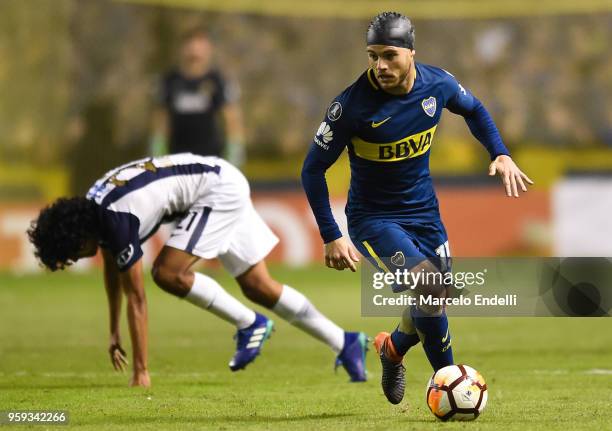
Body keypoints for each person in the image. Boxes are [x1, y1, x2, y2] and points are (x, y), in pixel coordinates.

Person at [301, 12, 533, 405]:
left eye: (389, 55)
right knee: (430, 287)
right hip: (374, 220)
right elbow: (312, 170)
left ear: (411, 53)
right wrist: (331, 234)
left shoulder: (437, 84)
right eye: (373, 56)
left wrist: (501, 153)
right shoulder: (351, 107)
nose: (380, 65)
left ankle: (392, 348)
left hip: (426, 216)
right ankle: (452, 384)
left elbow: (474, 109)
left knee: (433, 298)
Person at [28, 153, 368, 387]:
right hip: (217, 179)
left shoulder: (114, 219)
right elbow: (113, 268)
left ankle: (250, 323)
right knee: (257, 286)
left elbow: (137, 298)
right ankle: (345, 342)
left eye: (75, 254)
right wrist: (114, 330)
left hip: (216, 192)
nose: (83, 258)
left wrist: (141, 371)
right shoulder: (94, 208)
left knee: (167, 273)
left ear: (78, 238)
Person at [150, 28, 246, 166]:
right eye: (190, 46)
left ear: (208, 50)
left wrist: (235, 153)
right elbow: (160, 119)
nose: (194, 51)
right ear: (182, 48)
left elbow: (231, 118)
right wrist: (157, 150)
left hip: (211, 160)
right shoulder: (169, 81)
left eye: (200, 46)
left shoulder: (218, 81)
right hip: (177, 159)